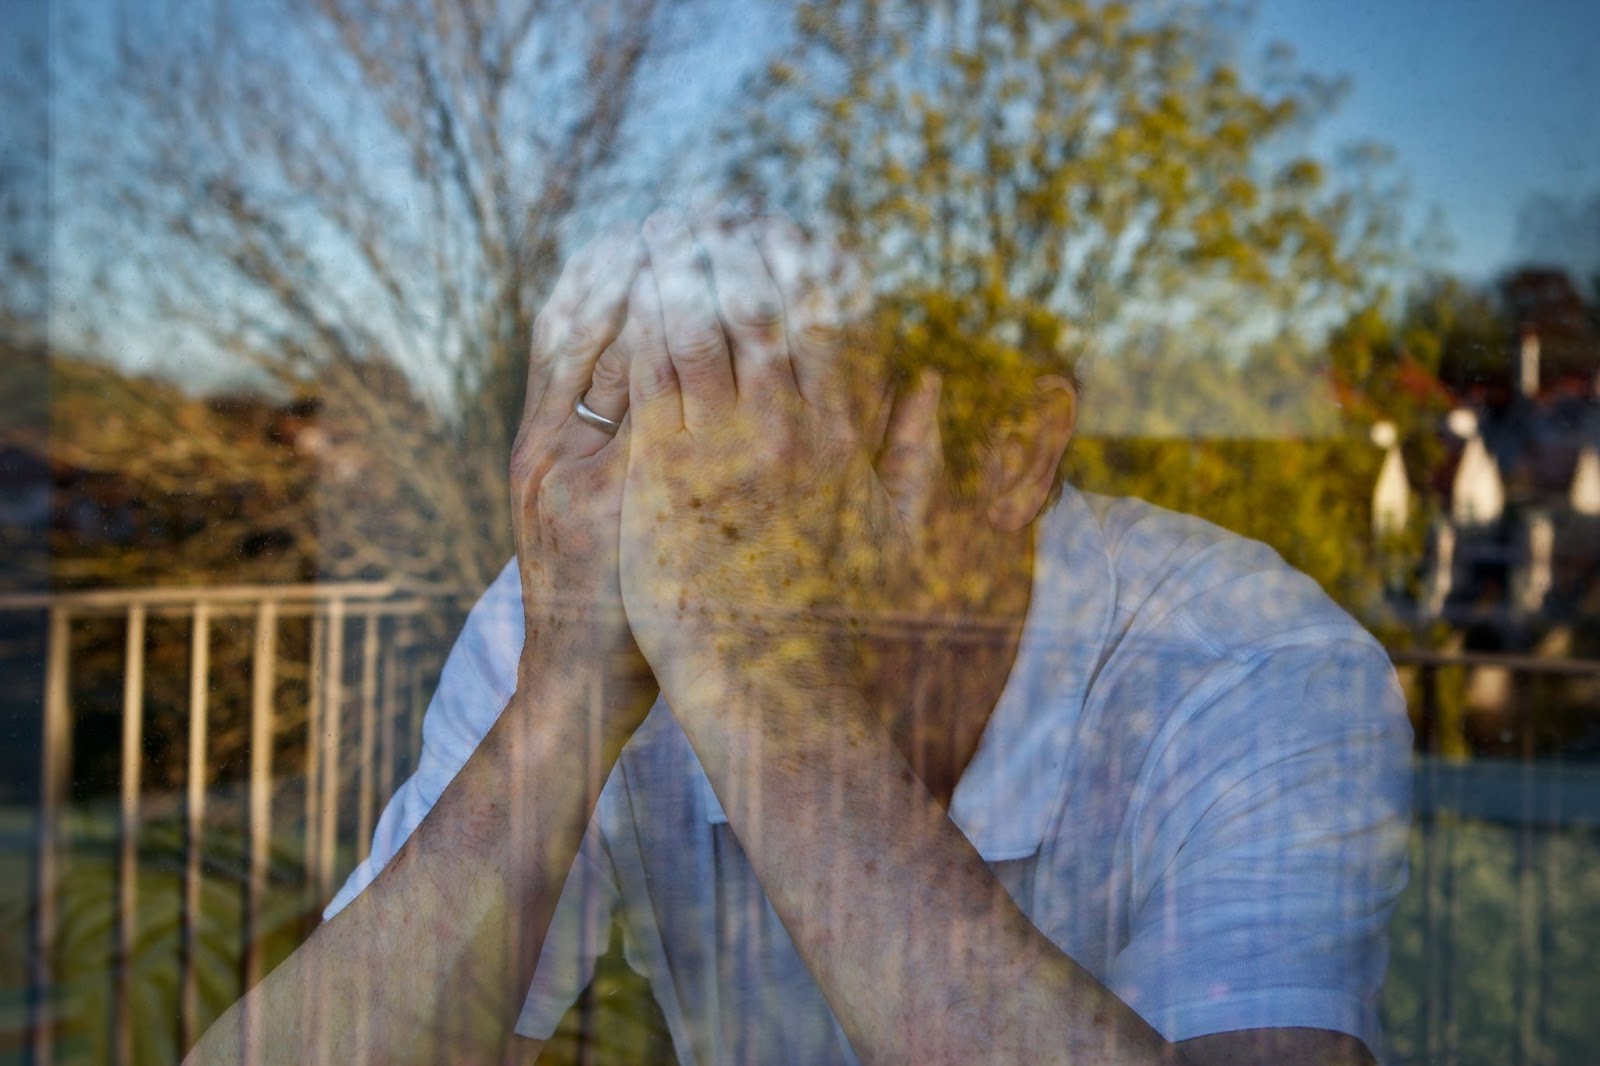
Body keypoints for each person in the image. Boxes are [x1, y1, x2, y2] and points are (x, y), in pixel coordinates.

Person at [188, 208, 1411, 1066]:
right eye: (657, 418)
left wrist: (760, 682)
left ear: (1010, 455)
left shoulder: (1250, 658)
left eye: (781, 430)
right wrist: (564, 687)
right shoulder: (582, 601)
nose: (688, 507)